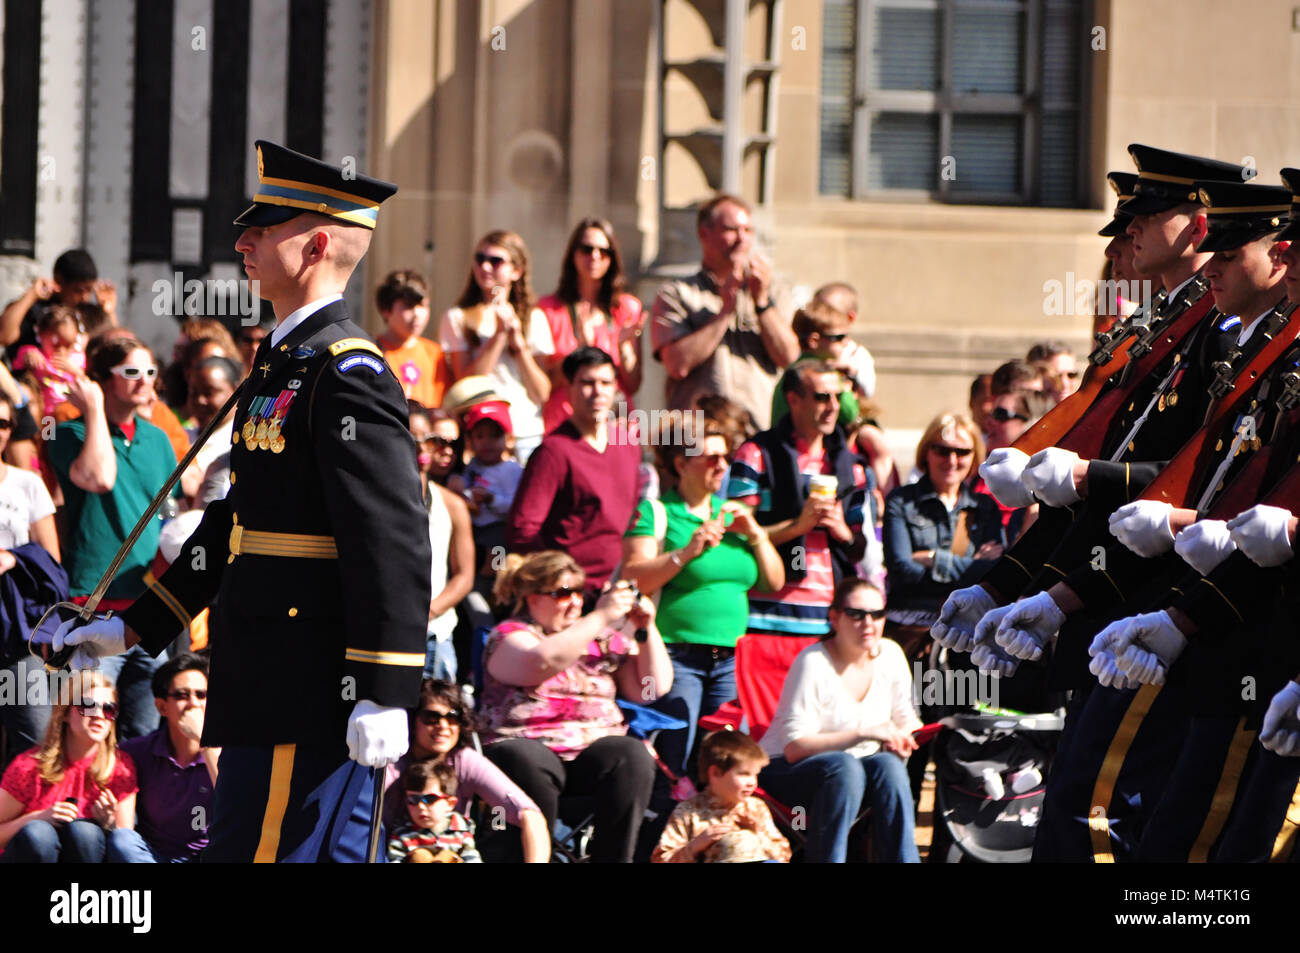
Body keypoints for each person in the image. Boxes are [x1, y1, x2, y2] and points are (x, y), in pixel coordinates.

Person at [47, 140, 432, 863]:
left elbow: (392, 534)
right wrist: (135, 628)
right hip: (263, 674)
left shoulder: (345, 371)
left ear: (317, 243)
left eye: (266, 228)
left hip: (310, 680)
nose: (243, 240)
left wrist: (386, 684)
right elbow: (236, 522)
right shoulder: (280, 365)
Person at [623, 411, 783, 806]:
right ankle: (659, 839)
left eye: (724, 457)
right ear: (680, 463)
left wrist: (758, 535)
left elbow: (774, 582)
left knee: (726, 761)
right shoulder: (657, 512)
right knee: (673, 755)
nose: (720, 465)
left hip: (732, 659)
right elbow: (634, 577)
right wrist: (687, 551)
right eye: (709, 457)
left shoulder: (732, 515)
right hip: (677, 657)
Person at [478, 551, 671, 863]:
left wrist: (645, 629)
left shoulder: (601, 641)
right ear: (531, 597)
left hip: (587, 757)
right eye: (562, 593)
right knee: (529, 759)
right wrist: (602, 616)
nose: (575, 602)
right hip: (524, 750)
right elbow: (543, 661)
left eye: (579, 592)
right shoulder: (510, 636)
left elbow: (651, 689)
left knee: (631, 754)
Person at [46, 335, 178, 741]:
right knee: (86, 731)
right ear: (102, 380)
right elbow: (99, 477)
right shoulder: (64, 433)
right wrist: (95, 410)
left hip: (148, 610)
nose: (145, 382)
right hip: (92, 609)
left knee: (145, 731)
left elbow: (171, 514)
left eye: (151, 372)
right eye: (132, 372)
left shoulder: (157, 439)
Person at [726, 359, 873, 692]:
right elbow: (736, 538)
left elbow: (859, 546)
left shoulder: (851, 466)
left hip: (828, 622)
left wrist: (840, 528)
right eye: (821, 397)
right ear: (793, 400)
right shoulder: (756, 454)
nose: (833, 407)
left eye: (837, 397)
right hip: (764, 617)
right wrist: (798, 525)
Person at [759, 578, 922, 863]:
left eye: (877, 614)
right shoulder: (812, 662)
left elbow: (907, 720)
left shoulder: (892, 654)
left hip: (856, 770)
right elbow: (794, 748)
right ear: (834, 617)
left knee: (888, 765)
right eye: (856, 614)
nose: (868, 623)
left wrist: (904, 737)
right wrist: (863, 732)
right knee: (844, 767)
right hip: (787, 771)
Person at [651, 193, 799, 429]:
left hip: (758, 432)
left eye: (748, 231)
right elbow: (677, 365)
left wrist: (762, 303)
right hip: (698, 437)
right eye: (731, 229)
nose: (742, 239)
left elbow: (790, 358)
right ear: (704, 233)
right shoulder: (677, 294)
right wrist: (724, 312)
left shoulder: (774, 292)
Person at [507, 347, 642, 600]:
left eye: (605, 382)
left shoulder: (628, 445)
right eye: (587, 383)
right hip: (571, 598)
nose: (598, 391)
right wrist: (559, 581)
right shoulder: (553, 451)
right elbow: (522, 530)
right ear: (568, 388)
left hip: (619, 590)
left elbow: (632, 520)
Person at [384, 679, 548, 862]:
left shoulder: (465, 760)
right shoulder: (389, 762)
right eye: (431, 717)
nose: (443, 726)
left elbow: (528, 814)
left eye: (453, 717)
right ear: (413, 721)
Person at [882, 413, 1003, 638]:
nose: (952, 460)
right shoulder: (900, 501)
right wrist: (970, 566)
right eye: (942, 450)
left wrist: (935, 560)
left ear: (975, 456)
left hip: (969, 629)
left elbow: (996, 574)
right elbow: (902, 572)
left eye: (962, 451)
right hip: (912, 628)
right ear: (926, 452)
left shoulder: (985, 507)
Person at [439, 230, 554, 461]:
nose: (486, 267)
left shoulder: (535, 317)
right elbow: (467, 385)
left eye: (496, 261)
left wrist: (518, 344)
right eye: (480, 259)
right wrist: (499, 336)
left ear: (516, 271)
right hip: (481, 436)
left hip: (525, 431)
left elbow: (542, 393)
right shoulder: (457, 317)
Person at [0, 671, 137, 862]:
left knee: (84, 833)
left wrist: (109, 825)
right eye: (87, 706)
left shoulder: (120, 768)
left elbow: (126, 847)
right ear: (64, 713)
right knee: (39, 834)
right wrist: (38, 817)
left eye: (108, 709)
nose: (98, 715)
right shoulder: (30, 766)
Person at [0, 389, 63, 769]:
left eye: (4, 423)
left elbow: (52, 564)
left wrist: (13, 558)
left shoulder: (27, 484)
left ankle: (22, 827)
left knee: (34, 742)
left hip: (16, 633)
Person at [106, 653, 218, 862]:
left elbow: (233, 799)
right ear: (161, 707)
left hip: (207, 857)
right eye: (182, 695)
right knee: (122, 840)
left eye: (201, 695)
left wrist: (205, 742)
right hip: (154, 857)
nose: (193, 703)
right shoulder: (135, 752)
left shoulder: (225, 752)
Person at [538, 218, 645, 433]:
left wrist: (624, 348)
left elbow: (632, 385)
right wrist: (579, 351)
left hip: (617, 425)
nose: (595, 257)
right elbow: (545, 385)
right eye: (587, 249)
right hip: (565, 423)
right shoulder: (548, 310)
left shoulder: (627, 308)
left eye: (603, 251)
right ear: (573, 254)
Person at [406, 405, 474, 683]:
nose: (422, 447)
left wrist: (429, 612)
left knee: (436, 719)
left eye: (429, 439)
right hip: (385, 634)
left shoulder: (452, 505)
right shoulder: (371, 499)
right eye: (412, 437)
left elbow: (465, 575)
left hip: (435, 634)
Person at [652, 729, 790, 863]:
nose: (752, 782)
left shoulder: (755, 808)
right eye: (744, 774)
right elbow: (662, 859)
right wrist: (696, 845)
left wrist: (758, 832)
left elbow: (784, 856)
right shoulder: (688, 811)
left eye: (755, 774)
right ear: (715, 773)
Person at [0, 248, 117, 355]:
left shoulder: (88, 313)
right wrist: (30, 295)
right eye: (78, 290)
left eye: (89, 290)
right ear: (59, 279)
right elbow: (5, 336)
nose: (84, 297)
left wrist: (108, 311)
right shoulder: (36, 310)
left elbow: (114, 349)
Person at [462, 399, 524, 595]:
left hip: (498, 531)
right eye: (480, 436)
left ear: (509, 439)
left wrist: (491, 499)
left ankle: (495, 592)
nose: (487, 442)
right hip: (472, 530)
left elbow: (517, 506)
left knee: (496, 568)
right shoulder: (470, 467)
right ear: (470, 440)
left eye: (495, 436)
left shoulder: (513, 470)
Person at [769, 301, 860, 430]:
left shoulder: (792, 371)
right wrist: (846, 382)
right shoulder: (824, 376)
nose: (846, 342)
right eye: (839, 337)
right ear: (814, 341)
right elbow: (850, 413)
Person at [376, 269, 451, 408]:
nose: (418, 314)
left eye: (423, 305)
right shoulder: (374, 352)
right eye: (408, 306)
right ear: (386, 310)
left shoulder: (435, 354)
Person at [387, 759, 481, 863]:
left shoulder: (461, 830)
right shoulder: (402, 834)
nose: (421, 806)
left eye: (430, 799)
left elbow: (472, 859)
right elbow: (394, 860)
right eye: (413, 799)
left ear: (450, 803)